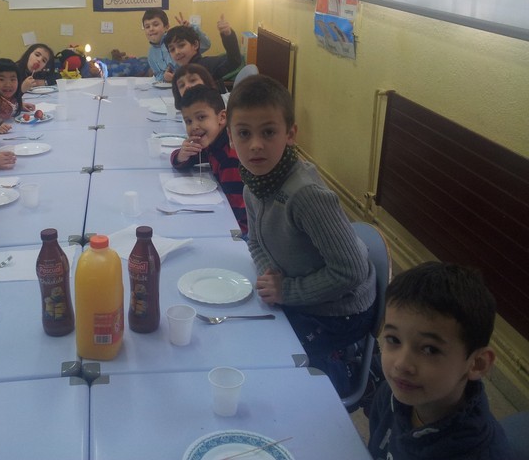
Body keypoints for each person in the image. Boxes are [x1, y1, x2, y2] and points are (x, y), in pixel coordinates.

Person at [226, 75, 376, 396]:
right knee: (242, 335)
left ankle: (346, 370)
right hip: (299, 289)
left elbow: (351, 272)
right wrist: (270, 278)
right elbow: (255, 240)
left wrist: (286, 291)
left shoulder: (306, 195)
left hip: (342, 311)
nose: (255, 145)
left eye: (268, 132)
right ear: (230, 137)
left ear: (290, 134)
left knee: (280, 370)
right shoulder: (254, 183)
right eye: (244, 133)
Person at [368, 262, 510, 460]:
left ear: (477, 364)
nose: (401, 364)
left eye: (430, 349)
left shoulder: (485, 454)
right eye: (393, 339)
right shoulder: (389, 395)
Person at [170, 85, 246, 234]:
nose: (194, 126)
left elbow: (238, 215)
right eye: (188, 121)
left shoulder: (230, 158)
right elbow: (186, 160)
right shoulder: (213, 141)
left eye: (201, 117)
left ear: (222, 118)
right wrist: (182, 155)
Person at [165, 13, 241, 93]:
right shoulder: (182, 69)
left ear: (195, 45)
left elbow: (234, 61)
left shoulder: (207, 65)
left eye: (181, 45)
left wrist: (228, 35)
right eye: (172, 49)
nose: (177, 52)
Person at [142, 9, 210, 82]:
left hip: (192, 81)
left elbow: (205, 45)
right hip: (169, 86)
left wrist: (191, 29)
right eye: (147, 27)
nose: (151, 29)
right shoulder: (151, 54)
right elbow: (157, 74)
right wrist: (164, 77)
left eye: (155, 25)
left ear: (166, 26)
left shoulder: (178, 40)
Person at [0, 58, 35, 134]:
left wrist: (20, 106)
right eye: (1, 79)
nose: (8, 84)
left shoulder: (10, 98)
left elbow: (10, 106)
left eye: (12, 79)